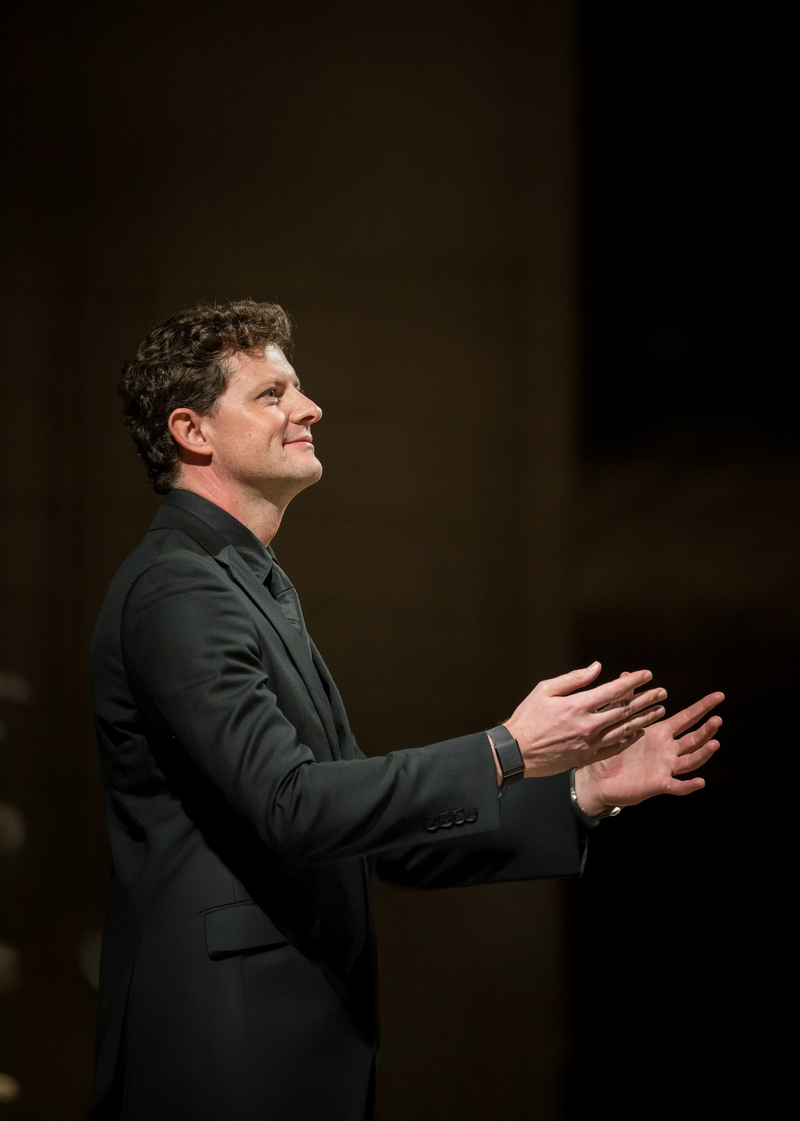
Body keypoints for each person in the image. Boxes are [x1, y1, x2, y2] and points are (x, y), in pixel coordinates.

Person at [89, 301, 722, 1121]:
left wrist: (581, 793)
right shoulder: (180, 586)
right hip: (224, 1051)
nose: (308, 408)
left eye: (299, 389)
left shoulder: (241, 584)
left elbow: (365, 832)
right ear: (193, 431)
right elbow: (293, 808)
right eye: (272, 394)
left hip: (277, 1045)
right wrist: (505, 748)